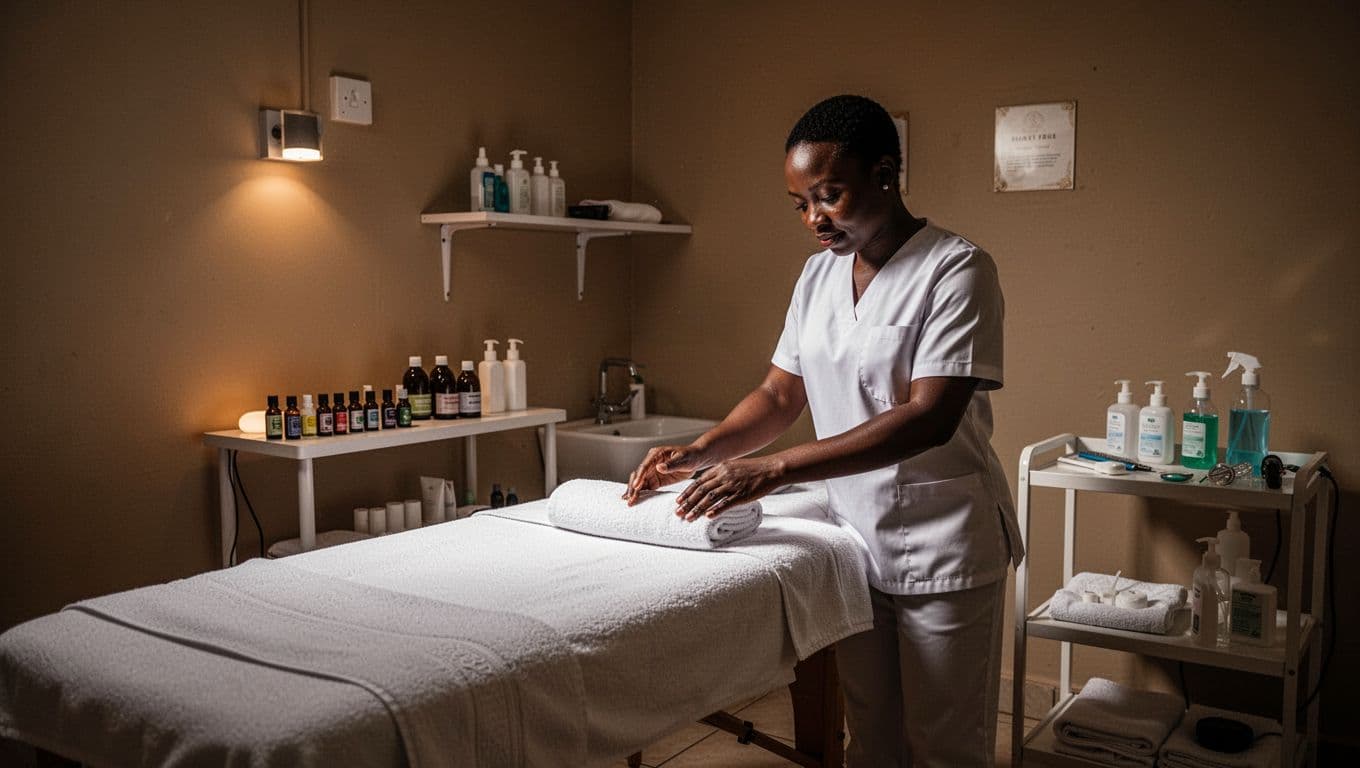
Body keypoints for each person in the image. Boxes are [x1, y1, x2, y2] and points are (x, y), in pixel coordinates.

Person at [623, 94, 1022, 767]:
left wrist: (772, 469)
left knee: (946, 747)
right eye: (800, 203)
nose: (813, 217)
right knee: (871, 741)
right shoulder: (818, 276)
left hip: (944, 544)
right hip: (854, 546)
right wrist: (699, 453)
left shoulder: (956, 270)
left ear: (886, 174)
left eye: (829, 194)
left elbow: (930, 416)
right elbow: (782, 393)